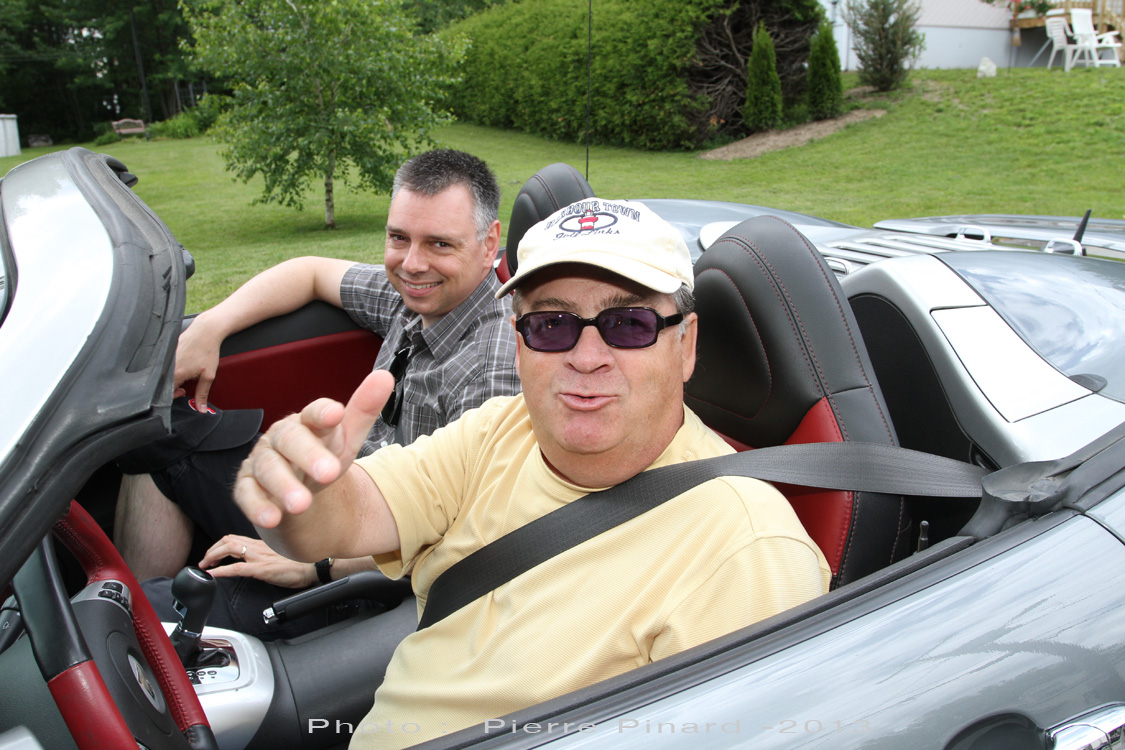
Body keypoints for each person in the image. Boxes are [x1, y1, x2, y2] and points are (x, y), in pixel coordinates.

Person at [234, 198, 831, 748]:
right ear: (519, 345)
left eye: (629, 325)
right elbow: (352, 514)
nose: (587, 356)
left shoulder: (745, 552)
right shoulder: (502, 429)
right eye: (552, 324)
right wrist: (302, 498)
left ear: (686, 345)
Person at [115, 148, 521, 637]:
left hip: (367, 576)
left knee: (141, 616)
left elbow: (463, 540)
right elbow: (308, 272)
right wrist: (210, 328)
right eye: (398, 237)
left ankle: (137, 624)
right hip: (335, 497)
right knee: (159, 430)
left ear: (488, 243)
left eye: (439, 244)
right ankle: (131, 589)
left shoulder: (494, 365)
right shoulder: (416, 298)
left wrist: (313, 565)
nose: (412, 264)